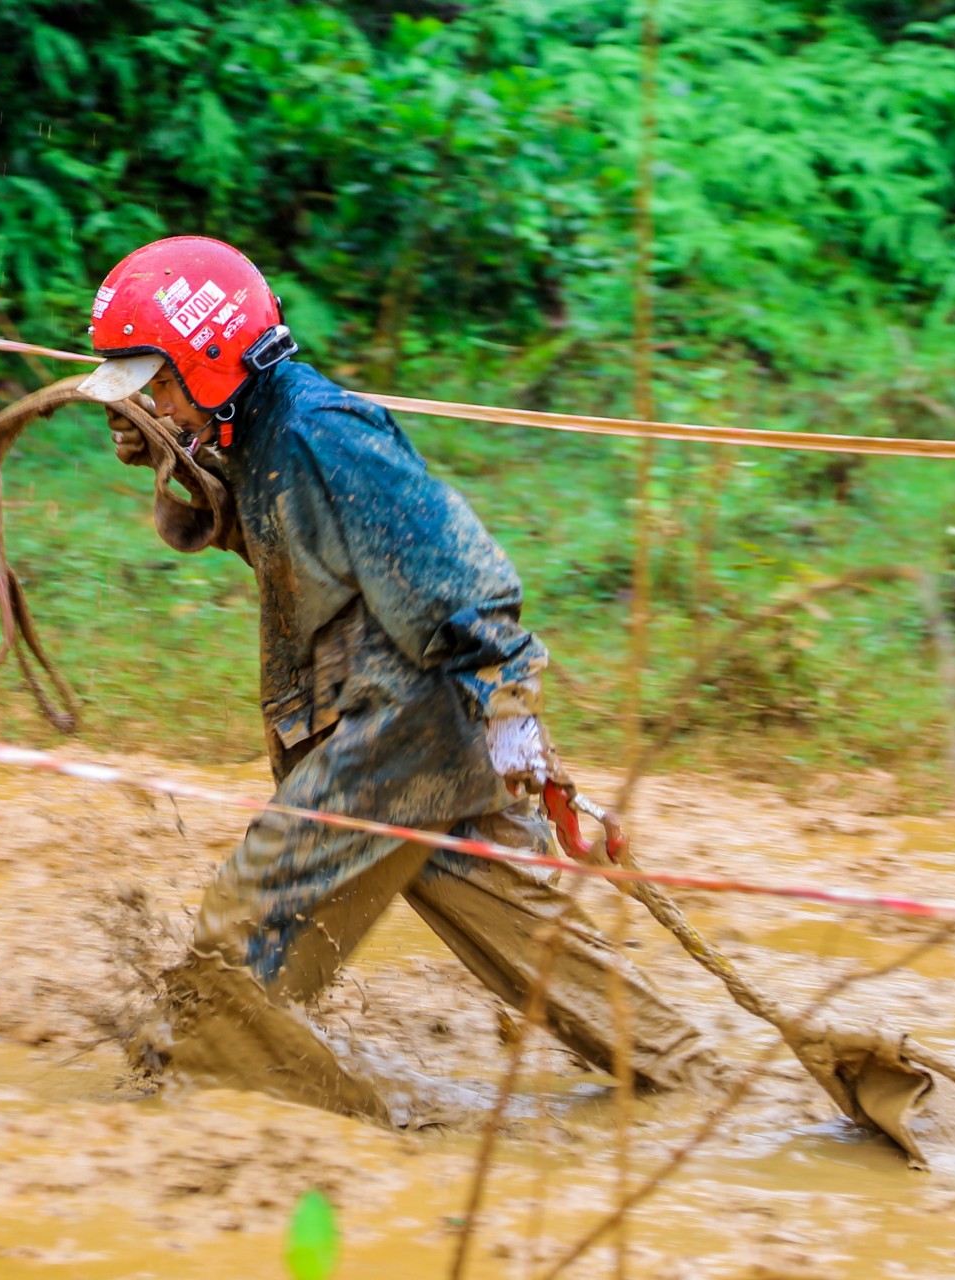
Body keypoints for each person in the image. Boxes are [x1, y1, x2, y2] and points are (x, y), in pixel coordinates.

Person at [77, 236, 718, 1123]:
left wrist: (522, 742)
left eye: (155, 384)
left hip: (399, 723)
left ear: (213, 355)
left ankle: (220, 1105)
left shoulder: (320, 431)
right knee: (522, 937)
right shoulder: (261, 433)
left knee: (245, 914)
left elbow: (461, 584)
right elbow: (296, 547)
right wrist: (178, 457)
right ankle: (692, 1082)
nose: (144, 404)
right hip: (413, 731)